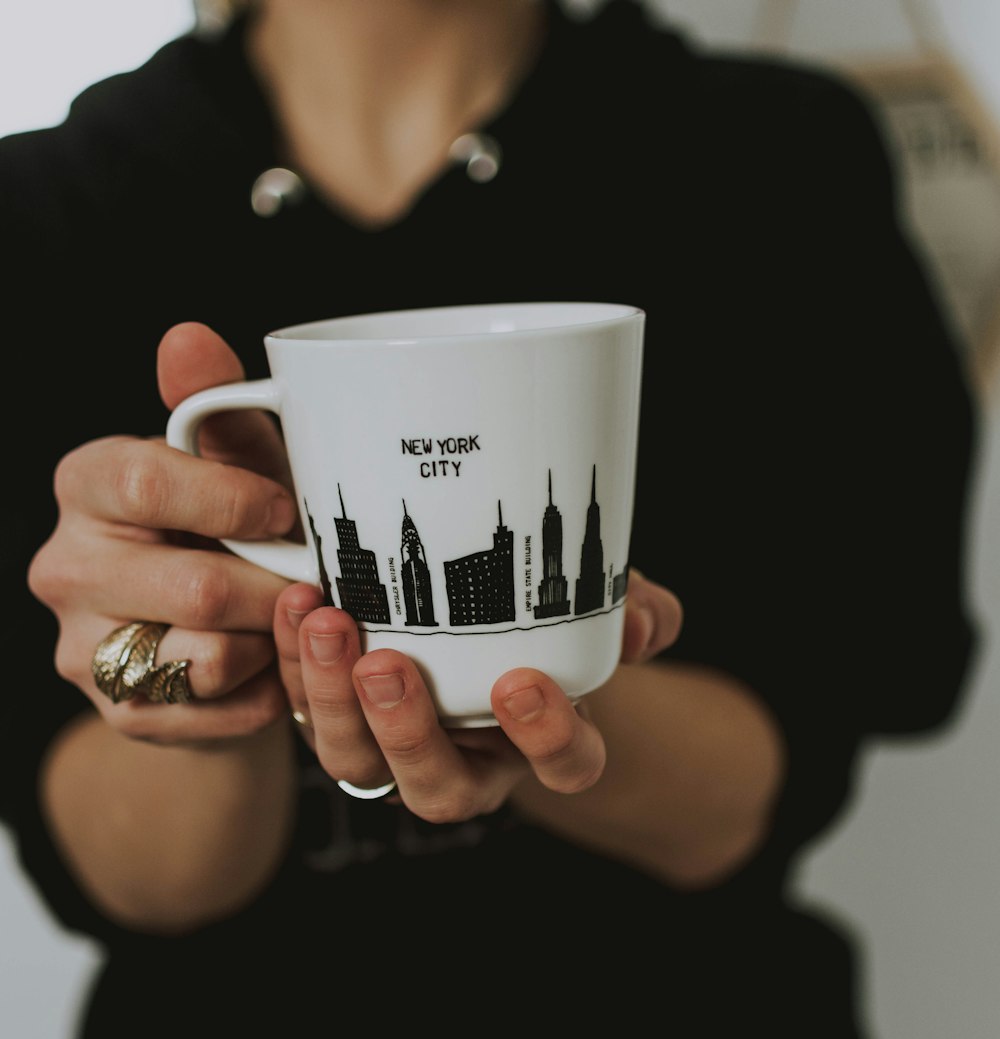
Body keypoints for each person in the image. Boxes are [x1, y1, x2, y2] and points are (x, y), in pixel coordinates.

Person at [0, 0, 980, 1035]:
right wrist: (201, 683)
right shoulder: (42, 219)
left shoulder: (772, 158)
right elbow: (127, 879)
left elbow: (765, 785)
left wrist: (519, 687)